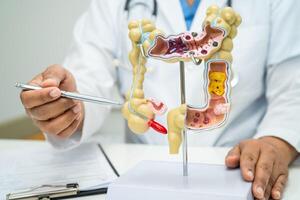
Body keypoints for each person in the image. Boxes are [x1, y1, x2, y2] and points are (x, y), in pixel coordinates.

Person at [20, 0, 300, 199]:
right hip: (145, 166)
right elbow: (90, 71)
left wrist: (276, 141)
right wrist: (69, 105)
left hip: (237, 164)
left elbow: (294, 86)